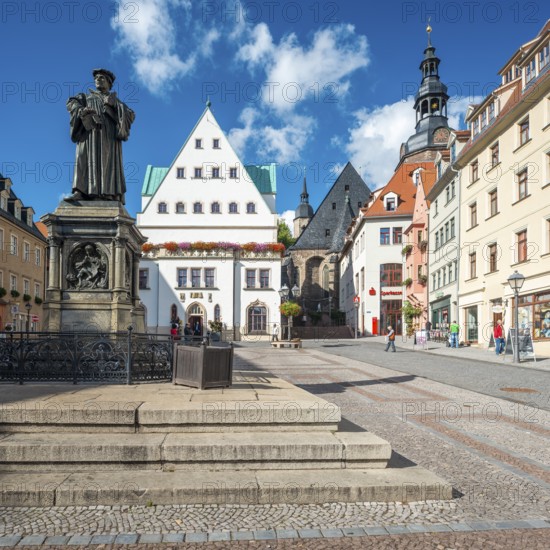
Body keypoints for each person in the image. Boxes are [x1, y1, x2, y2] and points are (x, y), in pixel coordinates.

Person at [66, 68, 135, 204]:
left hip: (107, 138)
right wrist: (81, 110)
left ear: (109, 83)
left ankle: (106, 194)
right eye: (96, 77)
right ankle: (80, 191)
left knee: (106, 163)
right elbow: (71, 103)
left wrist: (115, 105)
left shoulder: (115, 101)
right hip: (88, 135)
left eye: (102, 77)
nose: (98, 79)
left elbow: (130, 115)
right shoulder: (85, 97)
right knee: (82, 158)